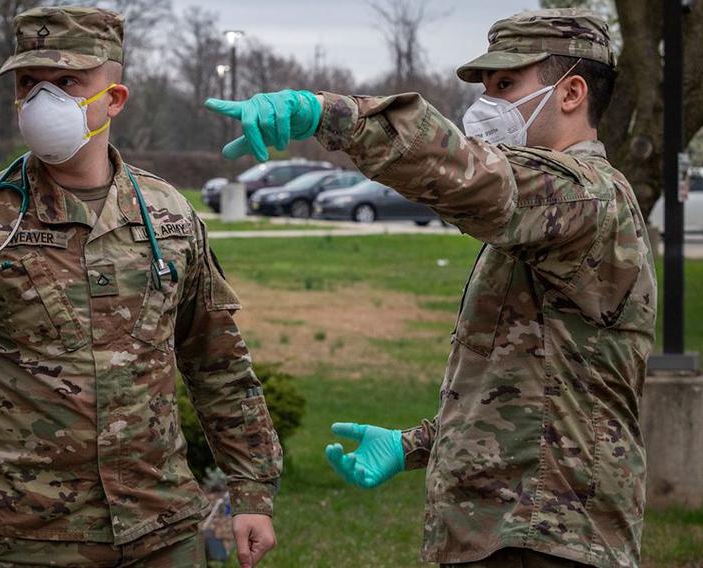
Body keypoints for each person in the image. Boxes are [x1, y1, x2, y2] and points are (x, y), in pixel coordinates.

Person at [206, 8, 655, 568]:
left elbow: (479, 178)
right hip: (508, 530)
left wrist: (328, 115)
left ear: (571, 93)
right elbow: (533, 383)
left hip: (544, 536)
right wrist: (414, 443)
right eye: (487, 85)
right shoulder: (549, 217)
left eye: (506, 84)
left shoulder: (585, 196)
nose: (487, 103)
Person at [0, 7, 281, 568]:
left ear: (113, 99)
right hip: (22, 540)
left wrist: (251, 490)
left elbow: (219, 362)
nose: (42, 100)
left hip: (163, 531)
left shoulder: (170, 215)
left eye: (65, 83)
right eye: (28, 84)